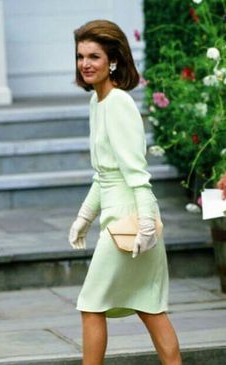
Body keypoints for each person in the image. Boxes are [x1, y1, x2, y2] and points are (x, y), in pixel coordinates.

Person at [69, 19, 182, 365]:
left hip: (130, 223)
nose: (85, 64)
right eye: (80, 56)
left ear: (113, 61)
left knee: (91, 304)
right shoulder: (97, 103)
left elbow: (136, 174)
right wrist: (84, 217)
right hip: (118, 220)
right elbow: (104, 175)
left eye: (94, 57)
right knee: (148, 306)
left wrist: (147, 222)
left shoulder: (118, 103)